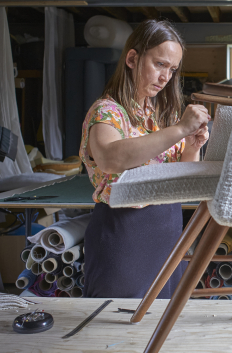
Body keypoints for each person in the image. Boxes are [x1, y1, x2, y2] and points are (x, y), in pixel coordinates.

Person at [79, 20, 211, 298]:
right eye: (160, 64)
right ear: (132, 58)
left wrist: (191, 147)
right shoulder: (107, 111)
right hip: (124, 236)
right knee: (114, 326)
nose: (166, 77)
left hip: (168, 231)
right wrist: (179, 130)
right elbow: (110, 159)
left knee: (159, 328)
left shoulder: (160, 116)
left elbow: (181, 181)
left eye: (172, 69)